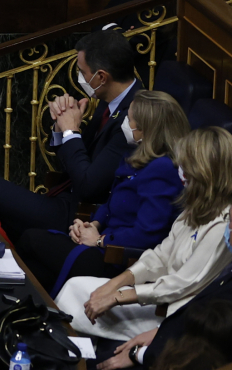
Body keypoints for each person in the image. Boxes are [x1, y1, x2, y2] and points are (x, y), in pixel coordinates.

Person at [54, 127, 232, 344]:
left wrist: (119, 296)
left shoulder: (224, 225)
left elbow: (182, 283)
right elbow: (160, 256)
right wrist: (114, 284)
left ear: (203, 171)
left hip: (174, 313)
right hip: (156, 294)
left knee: (76, 301)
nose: (181, 170)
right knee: (75, 287)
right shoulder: (195, 208)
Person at [0, 30, 142, 242]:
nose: (81, 78)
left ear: (101, 77)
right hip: (65, 196)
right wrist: (62, 127)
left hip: (82, 215)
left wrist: (71, 131)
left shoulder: (134, 119)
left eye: (83, 72)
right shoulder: (109, 99)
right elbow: (74, 162)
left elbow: (89, 187)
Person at [16, 91, 189, 295]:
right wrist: (92, 225)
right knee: (37, 271)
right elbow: (111, 202)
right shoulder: (136, 156)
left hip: (117, 260)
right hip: (102, 243)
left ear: (145, 130)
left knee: (30, 239)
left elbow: (147, 234)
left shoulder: (163, 169)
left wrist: (100, 240)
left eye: (129, 119)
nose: (124, 122)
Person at [95, 222, 232, 369]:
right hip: (168, 334)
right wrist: (158, 331)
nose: (228, 229)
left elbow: (210, 338)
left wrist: (139, 354)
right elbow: (161, 256)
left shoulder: (218, 227)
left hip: (175, 352)